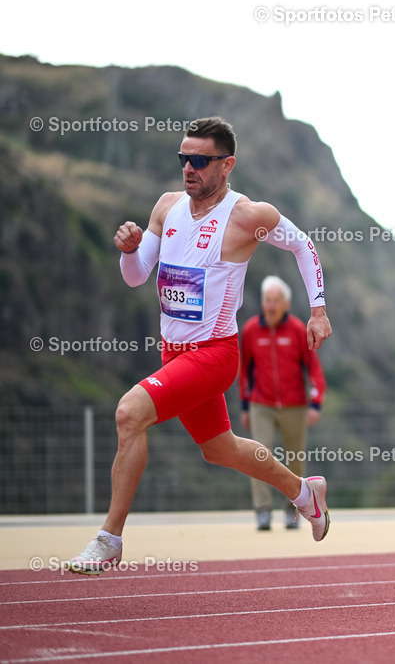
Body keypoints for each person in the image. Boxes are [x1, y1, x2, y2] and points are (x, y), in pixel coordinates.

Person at [66, 116, 333, 575]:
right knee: (219, 449)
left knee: (130, 412)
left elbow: (303, 245)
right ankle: (305, 492)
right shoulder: (166, 207)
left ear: (227, 165)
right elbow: (136, 277)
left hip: (214, 355)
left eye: (200, 161)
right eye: (183, 159)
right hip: (173, 353)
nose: (189, 168)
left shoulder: (247, 216)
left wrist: (318, 310)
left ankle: (109, 538)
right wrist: (129, 251)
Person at [240, 275, 327, 531]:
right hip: (261, 404)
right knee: (258, 455)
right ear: (262, 302)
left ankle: (293, 509)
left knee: (295, 458)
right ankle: (262, 511)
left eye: (277, 300)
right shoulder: (251, 330)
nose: (271, 305)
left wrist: (316, 403)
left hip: (294, 405)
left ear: (286, 304)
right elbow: (244, 371)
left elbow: (314, 369)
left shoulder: (298, 329)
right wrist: (245, 406)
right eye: (268, 300)